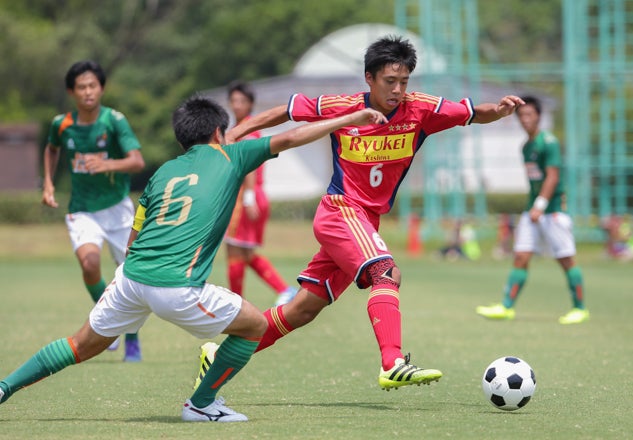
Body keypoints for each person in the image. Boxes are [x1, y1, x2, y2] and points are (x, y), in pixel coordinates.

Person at [0, 95, 386, 421]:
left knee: (80, 344)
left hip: (130, 278)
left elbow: (135, 233)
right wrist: (348, 119)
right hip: (175, 287)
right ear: (219, 132)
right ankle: (201, 404)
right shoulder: (231, 156)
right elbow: (290, 137)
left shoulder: (165, 170)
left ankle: (5, 386)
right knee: (254, 326)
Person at [196, 35, 525, 391]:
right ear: (369, 78)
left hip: (365, 222)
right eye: (390, 81)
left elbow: (472, 113)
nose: (398, 90)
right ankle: (393, 363)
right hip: (340, 211)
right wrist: (236, 132)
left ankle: (218, 357)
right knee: (387, 273)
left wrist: (499, 110)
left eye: (404, 82)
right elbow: (287, 110)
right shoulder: (344, 106)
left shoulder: (421, 109)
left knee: (302, 310)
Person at [41, 60, 146, 361]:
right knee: (89, 265)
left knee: (131, 276)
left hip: (118, 210)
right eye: (81, 87)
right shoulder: (61, 124)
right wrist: (48, 183)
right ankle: (107, 323)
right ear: (71, 92)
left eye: (92, 86)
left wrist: (107, 164)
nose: (88, 92)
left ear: (101, 88)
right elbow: (51, 148)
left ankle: (132, 339)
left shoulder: (114, 121)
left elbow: (137, 161)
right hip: (83, 210)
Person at [476, 96, 590, 324]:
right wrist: (533, 208)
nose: (525, 119)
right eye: (521, 115)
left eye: (530, 114)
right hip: (533, 211)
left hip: (552, 210)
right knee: (520, 256)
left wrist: (540, 205)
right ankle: (506, 307)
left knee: (566, 259)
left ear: (539, 116)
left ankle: (580, 309)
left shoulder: (549, 142)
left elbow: (553, 176)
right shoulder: (526, 147)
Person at [224, 81, 297, 306]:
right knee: (246, 253)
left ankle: (236, 302)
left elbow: (250, 165)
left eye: (242, 101)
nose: (237, 105)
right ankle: (285, 290)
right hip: (251, 195)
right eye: (234, 100)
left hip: (246, 196)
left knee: (234, 250)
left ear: (251, 104)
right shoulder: (243, 128)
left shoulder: (246, 130)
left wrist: (248, 198)